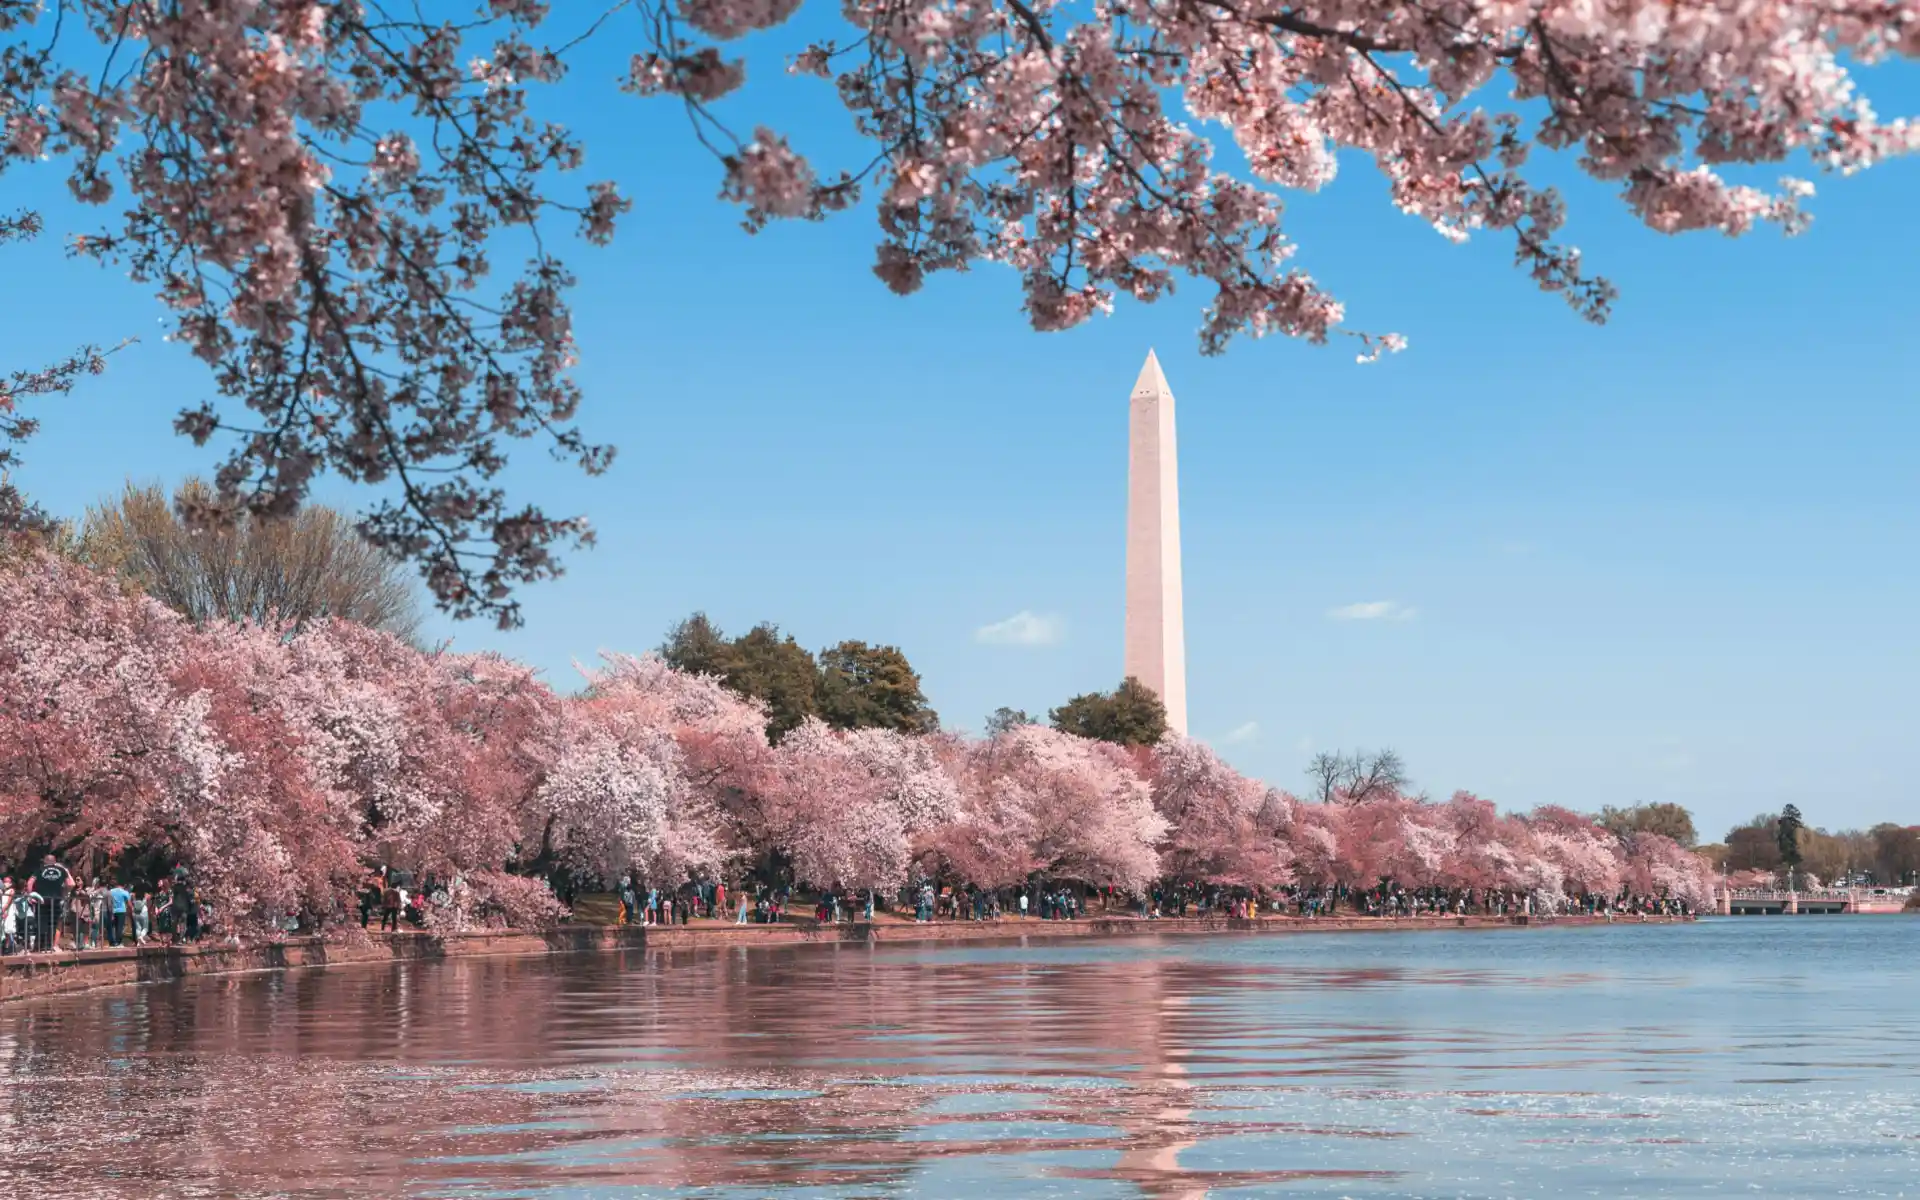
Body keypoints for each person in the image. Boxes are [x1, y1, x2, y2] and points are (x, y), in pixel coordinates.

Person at [33, 854, 71, 952]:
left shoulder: (39, 870)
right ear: (54, 861)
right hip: (56, 901)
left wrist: (31, 895)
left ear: (45, 861)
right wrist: (64, 894)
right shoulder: (62, 870)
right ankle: (49, 946)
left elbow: (30, 882)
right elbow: (70, 884)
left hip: (42, 900)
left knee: (41, 923)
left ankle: (39, 946)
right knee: (53, 924)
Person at [107, 882, 131, 946]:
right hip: (121, 911)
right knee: (119, 927)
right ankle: (118, 942)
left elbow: (108, 901)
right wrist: (130, 909)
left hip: (113, 911)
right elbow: (128, 903)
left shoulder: (111, 891)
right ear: (124, 886)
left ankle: (112, 941)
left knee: (112, 927)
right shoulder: (124, 892)